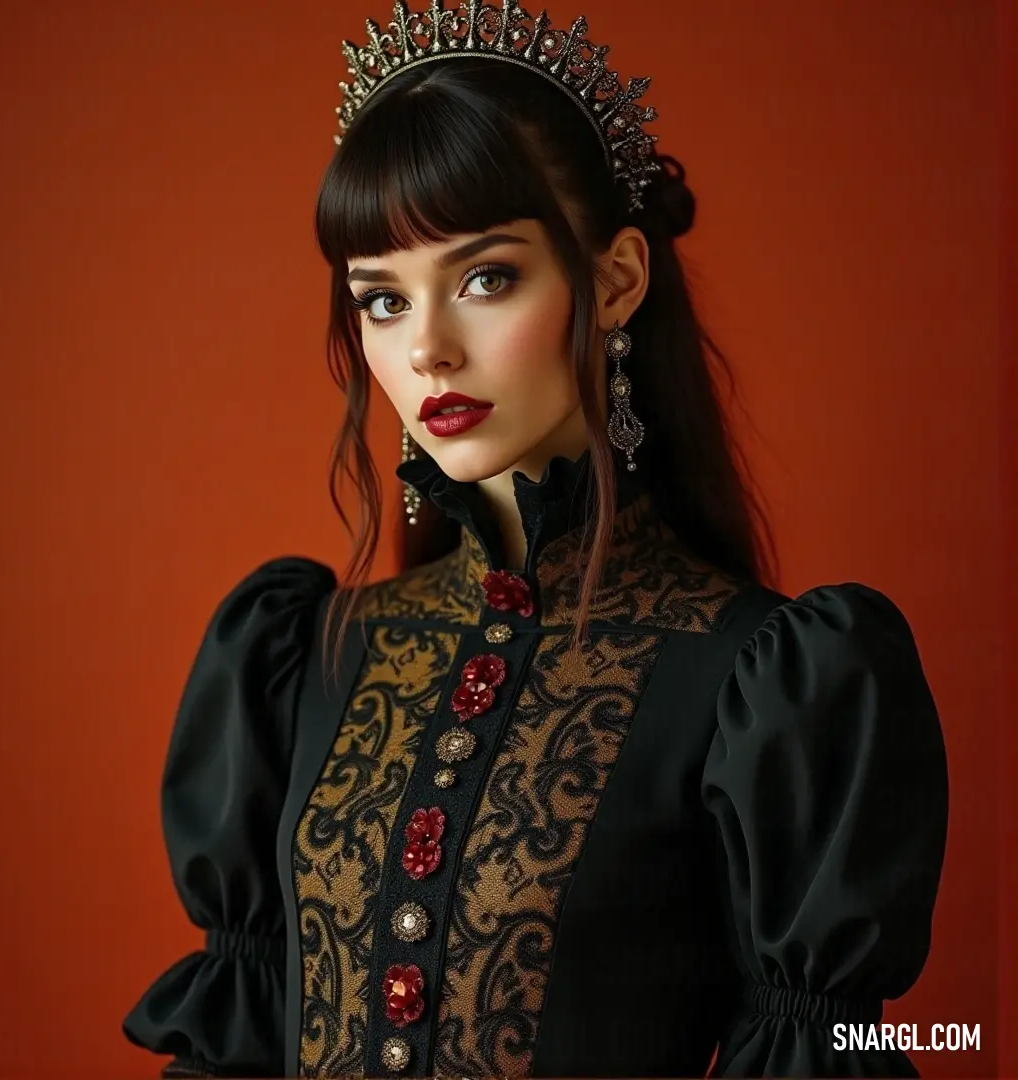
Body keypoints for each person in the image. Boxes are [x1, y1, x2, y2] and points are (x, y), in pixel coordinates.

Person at [122, 0, 949, 1076]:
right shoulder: (301, 659)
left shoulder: (766, 682)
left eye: (484, 278)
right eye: (380, 300)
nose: (427, 349)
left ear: (614, 282)